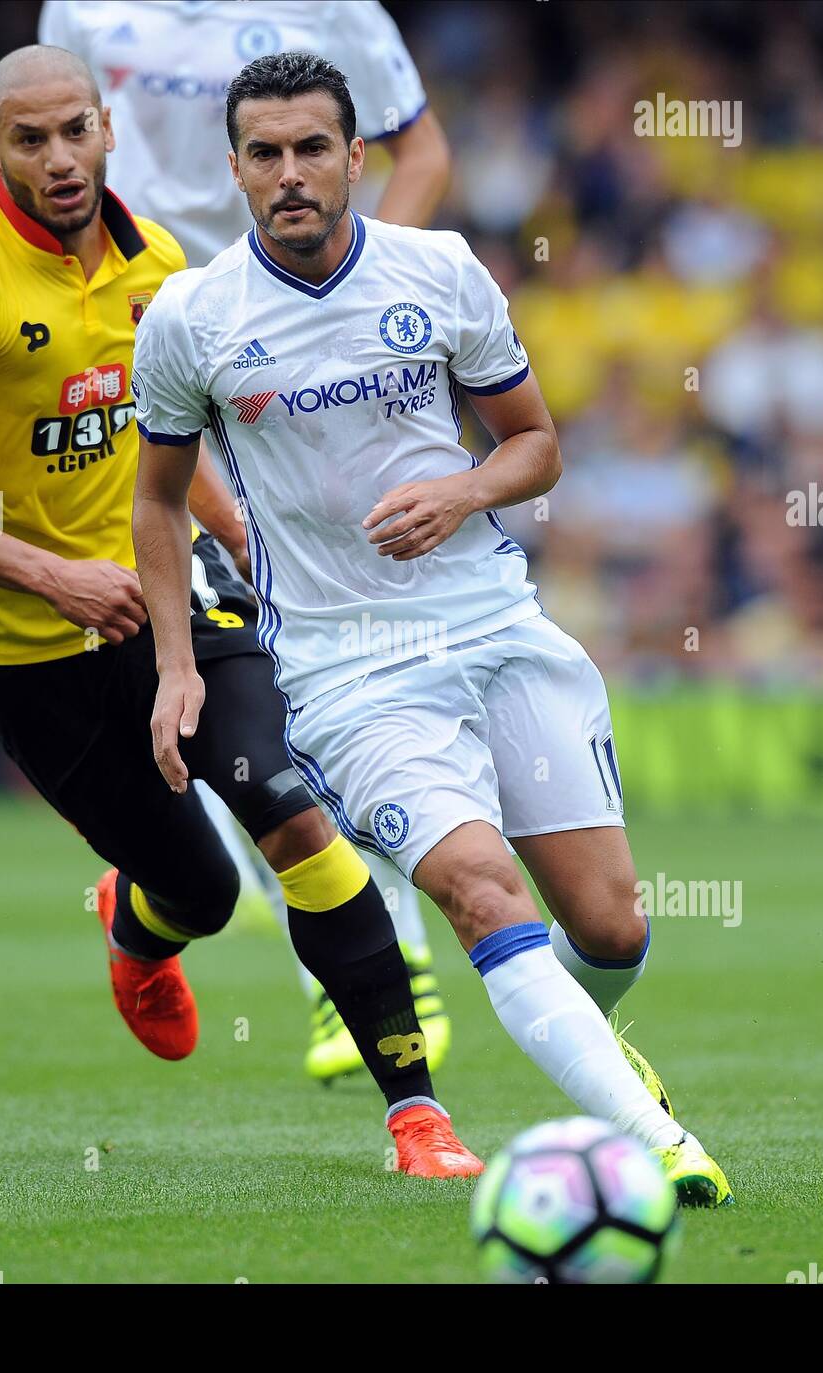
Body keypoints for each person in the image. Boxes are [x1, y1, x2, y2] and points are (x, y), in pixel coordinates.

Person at [0, 44, 482, 1178]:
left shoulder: (166, 266)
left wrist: (244, 538)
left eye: (74, 130)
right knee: (203, 888)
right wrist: (51, 573)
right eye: (28, 140)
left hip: (168, 599)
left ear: (107, 129)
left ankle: (417, 1116)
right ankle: (138, 925)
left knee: (291, 815)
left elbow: (167, 453)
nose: (58, 158)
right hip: (26, 645)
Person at [131, 51, 733, 1205]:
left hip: (495, 626)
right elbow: (156, 502)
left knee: (608, 929)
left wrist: (461, 492)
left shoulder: (443, 272)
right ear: (235, 170)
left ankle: (598, 1048)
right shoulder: (192, 318)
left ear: (357, 158)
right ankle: (656, 1147)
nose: (291, 174)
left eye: (314, 149)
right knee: (477, 888)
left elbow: (536, 443)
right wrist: (174, 665)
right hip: (348, 670)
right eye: (266, 154)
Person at [40, 0, 456, 1085]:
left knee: (326, 652)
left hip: (311, 347)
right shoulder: (84, 9)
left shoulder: (335, 15)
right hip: (164, 337)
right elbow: (61, 146)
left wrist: (364, 298)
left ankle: (179, 897)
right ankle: (365, 963)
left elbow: (423, 151)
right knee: (277, 665)